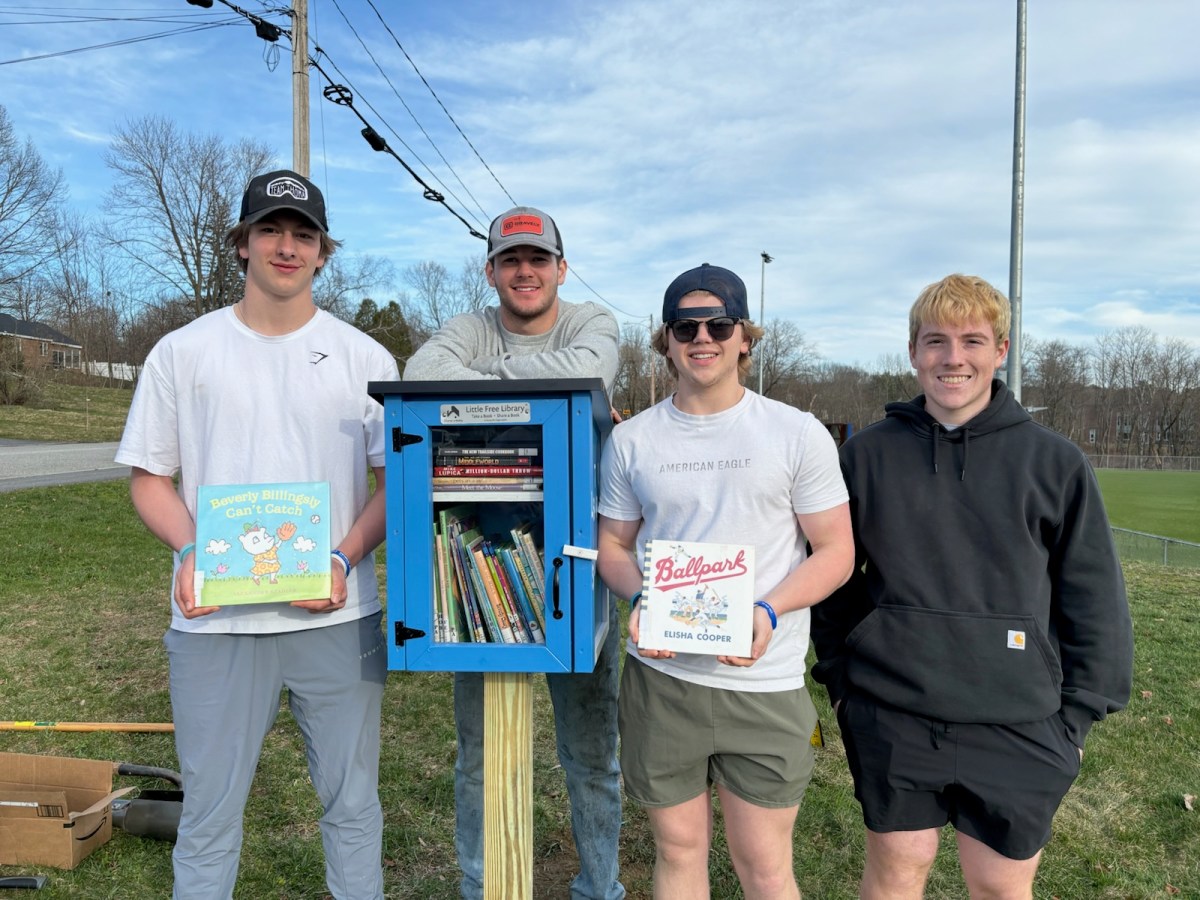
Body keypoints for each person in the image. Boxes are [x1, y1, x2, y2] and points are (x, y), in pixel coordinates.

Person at [115, 169, 399, 900]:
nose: (286, 246)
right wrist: (187, 549)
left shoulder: (366, 359)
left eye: (303, 235)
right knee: (209, 816)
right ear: (242, 244)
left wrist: (342, 556)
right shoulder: (183, 351)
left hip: (338, 615)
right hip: (215, 625)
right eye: (270, 230)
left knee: (354, 807)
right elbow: (151, 478)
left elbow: (392, 485)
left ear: (323, 253)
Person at [810, 274, 1134, 899]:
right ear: (912, 352)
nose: (952, 358)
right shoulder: (865, 457)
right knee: (896, 874)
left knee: (999, 888)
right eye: (935, 341)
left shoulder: (1054, 462)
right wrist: (845, 685)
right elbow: (833, 578)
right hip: (893, 710)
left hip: (1019, 720)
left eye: (972, 341)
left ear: (1001, 350)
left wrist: (1076, 719)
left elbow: (1092, 597)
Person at [596, 264, 855, 898]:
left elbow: (836, 551)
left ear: (745, 336)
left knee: (763, 865)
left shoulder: (796, 433)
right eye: (686, 325)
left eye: (719, 324)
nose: (702, 337)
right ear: (666, 340)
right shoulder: (632, 439)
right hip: (664, 680)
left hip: (761, 681)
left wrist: (767, 611)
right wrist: (642, 596)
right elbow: (612, 546)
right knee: (679, 850)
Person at [402, 206, 625, 900]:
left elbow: (589, 368)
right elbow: (422, 371)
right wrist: (530, 383)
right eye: (510, 260)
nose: (524, 272)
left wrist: (485, 381)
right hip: (481, 562)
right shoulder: (467, 327)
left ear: (561, 267)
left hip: (572, 566)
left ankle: (601, 887)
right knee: (480, 755)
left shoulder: (593, 320)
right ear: (491, 269)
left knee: (592, 752)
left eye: (538, 260)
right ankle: (482, 886)